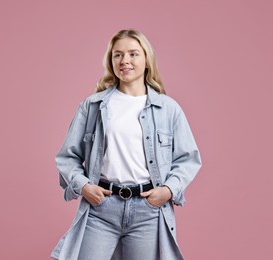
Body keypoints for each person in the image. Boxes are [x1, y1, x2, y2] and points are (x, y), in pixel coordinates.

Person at [51, 29, 202, 260]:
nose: (125, 61)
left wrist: (168, 190)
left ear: (146, 59)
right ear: (111, 62)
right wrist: (83, 186)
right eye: (118, 55)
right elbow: (67, 157)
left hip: (148, 211)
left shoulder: (168, 109)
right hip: (101, 208)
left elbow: (188, 159)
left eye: (133, 54)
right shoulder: (92, 106)